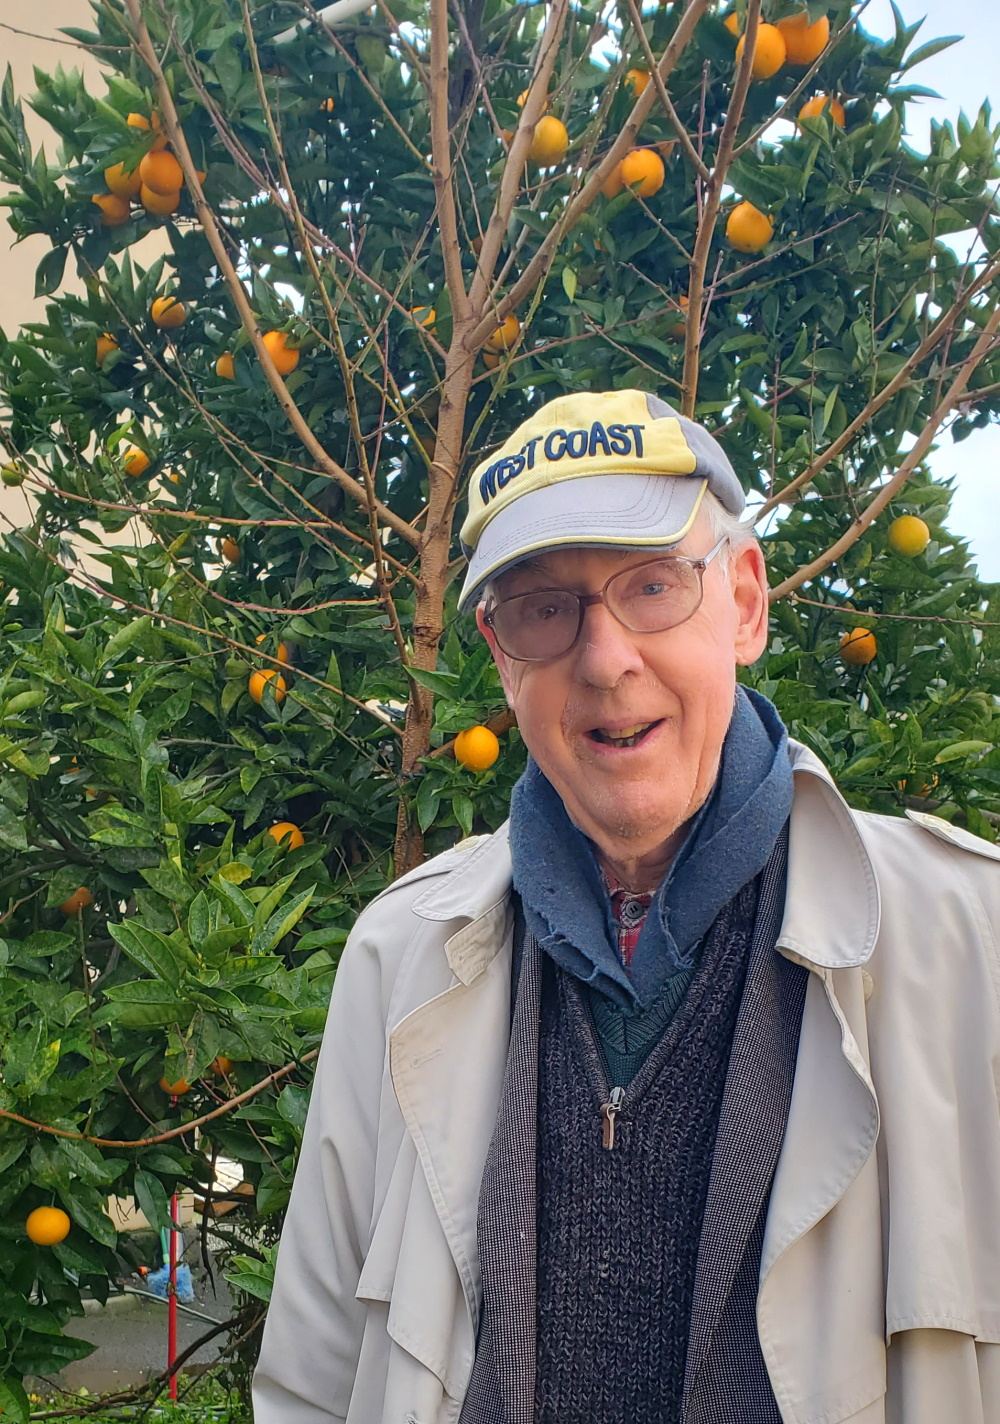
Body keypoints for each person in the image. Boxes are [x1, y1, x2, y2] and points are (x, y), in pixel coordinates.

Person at [253, 391, 1000, 1424]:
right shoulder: (399, 954)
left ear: (743, 600)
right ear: (500, 652)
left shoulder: (970, 939)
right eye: (543, 607)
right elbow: (311, 1378)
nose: (604, 659)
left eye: (651, 585)